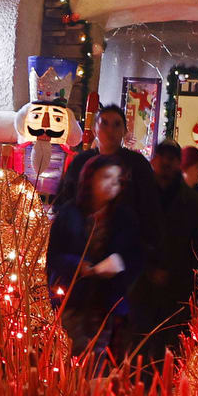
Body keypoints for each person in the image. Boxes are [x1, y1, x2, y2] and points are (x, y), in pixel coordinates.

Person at [45, 105, 153, 305]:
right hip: (79, 250)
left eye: (116, 125)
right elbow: (64, 198)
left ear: (124, 131)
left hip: (121, 245)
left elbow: (149, 206)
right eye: (104, 124)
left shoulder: (137, 165)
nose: (110, 130)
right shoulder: (80, 162)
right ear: (95, 128)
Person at [125, 143, 198, 361]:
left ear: (179, 164)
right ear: (153, 160)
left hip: (177, 290)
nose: (166, 163)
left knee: (168, 351)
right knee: (138, 348)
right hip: (139, 287)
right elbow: (127, 238)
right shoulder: (137, 196)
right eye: (161, 157)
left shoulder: (194, 203)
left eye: (171, 158)